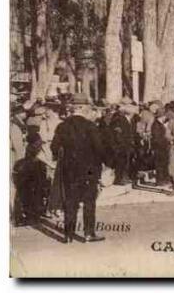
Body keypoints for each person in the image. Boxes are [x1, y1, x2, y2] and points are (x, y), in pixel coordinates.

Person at [50, 93, 106, 243]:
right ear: (82, 108)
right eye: (87, 107)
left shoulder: (62, 126)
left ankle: (68, 235)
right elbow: (99, 148)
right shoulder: (90, 126)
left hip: (69, 169)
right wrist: (102, 164)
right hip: (89, 170)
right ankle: (89, 233)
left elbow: (54, 147)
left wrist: (62, 157)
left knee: (70, 201)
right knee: (89, 201)